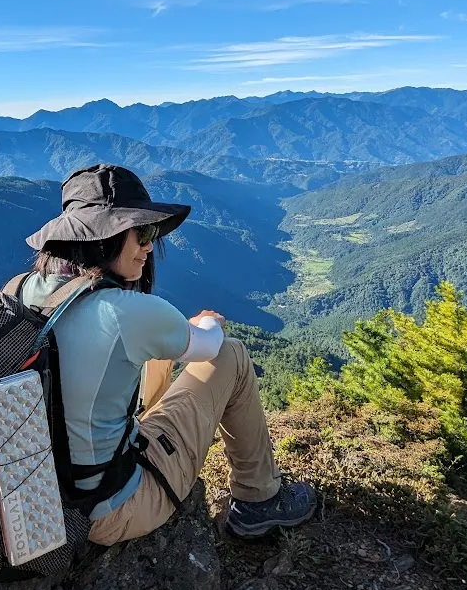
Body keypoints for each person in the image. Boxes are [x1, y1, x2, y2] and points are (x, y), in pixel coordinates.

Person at [20, 163, 316, 545]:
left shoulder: (22, 289)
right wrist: (209, 322)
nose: (148, 245)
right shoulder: (125, 311)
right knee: (233, 356)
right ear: (105, 237)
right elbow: (209, 348)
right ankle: (260, 499)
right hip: (110, 510)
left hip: (40, 500)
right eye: (142, 232)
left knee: (154, 361)